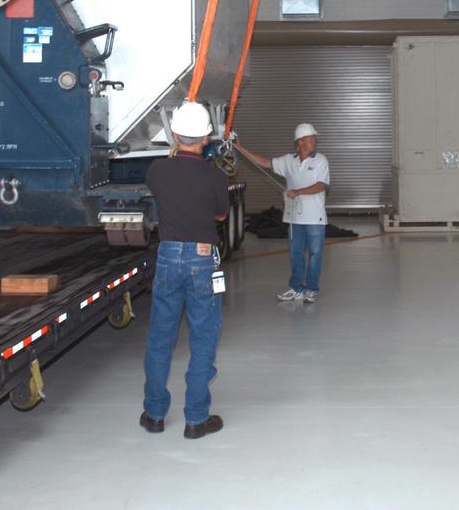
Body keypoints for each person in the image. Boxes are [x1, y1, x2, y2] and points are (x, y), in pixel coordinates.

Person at [140, 101, 229, 440]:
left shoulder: (157, 171)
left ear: (174, 135)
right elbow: (220, 215)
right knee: (203, 336)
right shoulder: (215, 176)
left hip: (167, 255)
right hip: (202, 259)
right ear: (207, 137)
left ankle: (155, 414)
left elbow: (160, 191)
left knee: (161, 338)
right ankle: (196, 418)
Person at [236, 123, 330, 303]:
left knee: (316, 253)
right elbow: (264, 162)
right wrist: (241, 149)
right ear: (300, 141)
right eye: (311, 138)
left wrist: (298, 192)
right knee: (296, 253)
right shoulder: (288, 161)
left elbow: (321, 185)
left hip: (315, 218)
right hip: (294, 218)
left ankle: (311, 289)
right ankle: (296, 288)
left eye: (314, 138)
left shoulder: (320, 160)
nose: (314, 141)